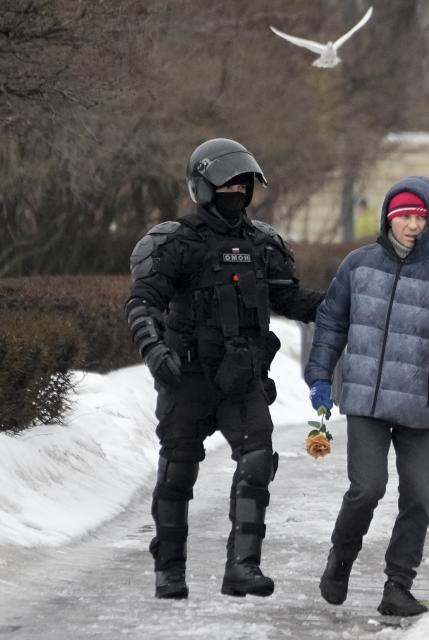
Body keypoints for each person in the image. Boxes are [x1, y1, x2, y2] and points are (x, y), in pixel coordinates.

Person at [126, 138, 325, 599]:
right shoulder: (175, 242)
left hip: (242, 379)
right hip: (187, 377)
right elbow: (142, 302)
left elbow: (290, 298)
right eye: (227, 183)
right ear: (204, 187)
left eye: (244, 183)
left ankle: (243, 567)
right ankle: (170, 570)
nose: (237, 191)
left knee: (257, 463)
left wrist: (342, 306)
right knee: (177, 473)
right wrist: (154, 350)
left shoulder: (263, 244)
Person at [304, 177, 429, 617]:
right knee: (367, 488)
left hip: (421, 404)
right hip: (367, 400)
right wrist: (321, 377)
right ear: (389, 217)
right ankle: (339, 563)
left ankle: (397, 586)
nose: (412, 225)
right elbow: (331, 324)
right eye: (404, 217)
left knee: (419, 496)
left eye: (420, 217)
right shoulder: (359, 265)